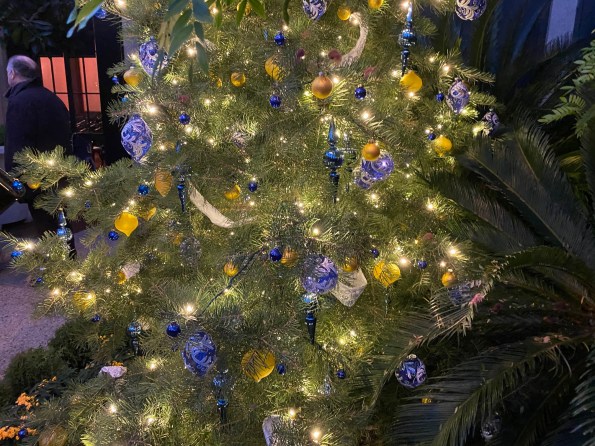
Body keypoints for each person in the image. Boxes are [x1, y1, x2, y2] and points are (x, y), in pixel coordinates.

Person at [4, 55, 75, 252]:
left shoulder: (20, 102)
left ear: (12, 74)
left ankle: (58, 266)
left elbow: (17, 145)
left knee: (47, 229)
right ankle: (69, 262)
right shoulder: (52, 97)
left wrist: (16, 182)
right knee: (61, 224)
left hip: (35, 179)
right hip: (60, 173)